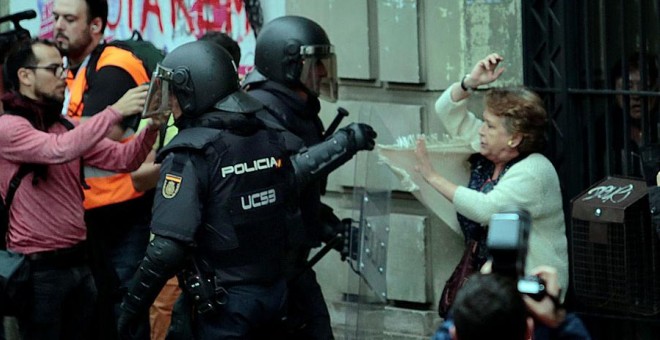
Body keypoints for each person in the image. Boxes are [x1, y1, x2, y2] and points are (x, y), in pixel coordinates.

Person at [117, 40, 375, 339]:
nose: (170, 102)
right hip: (277, 298)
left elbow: (166, 249)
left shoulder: (189, 155)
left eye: (174, 93)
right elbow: (295, 179)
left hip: (223, 307)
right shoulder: (268, 136)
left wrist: (130, 310)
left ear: (192, 92)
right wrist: (345, 143)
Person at [0, 38, 159, 340]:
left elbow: (125, 159)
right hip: (38, 272)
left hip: (80, 263)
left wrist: (152, 126)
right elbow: (57, 150)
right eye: (53, 69)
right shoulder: (9, 128)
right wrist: (114, 111)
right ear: (25, 76)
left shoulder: (65, 125)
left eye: (63, 68)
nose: (63, 76)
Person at [414, 53, 569, 310]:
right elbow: (446, 110)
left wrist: (432, 177)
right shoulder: (491, 151)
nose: (481, 130)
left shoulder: (534, 171)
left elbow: (485, 209)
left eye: (489, 125)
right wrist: (470, 83)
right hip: (494, 288)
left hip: (532, 294)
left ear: (514, 139)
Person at [52, 0, 156, 337]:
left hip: (124, 212)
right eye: (55, 17)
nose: (58, 26)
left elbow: (101, 132)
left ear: (96, 26)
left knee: (125, 306)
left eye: (69, 19)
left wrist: (46, 129)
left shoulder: (115, 64)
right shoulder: (70, 68)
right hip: (87, 214)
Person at [242, 15, 349, 339]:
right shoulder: (257, 110)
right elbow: (283, 176)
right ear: (287, 64)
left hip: (293, 266)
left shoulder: (299, 108)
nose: (321, 72)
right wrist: (344, 144)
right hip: (262, 275)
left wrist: (324, 222)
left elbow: (297, 195)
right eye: (313, 64)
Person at [432, 266, 591, 340]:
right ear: (529, 331)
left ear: (454, 334)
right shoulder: (541, 329)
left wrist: (478, 293)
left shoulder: (452, 333)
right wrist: (558, 319)